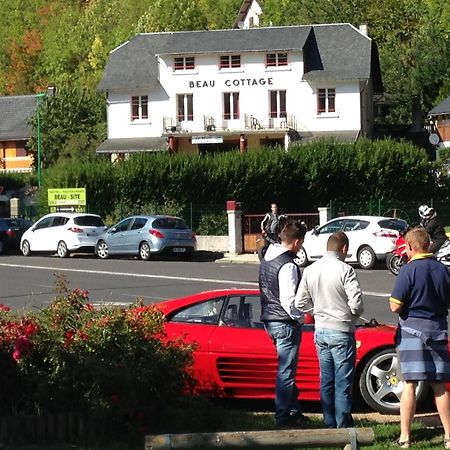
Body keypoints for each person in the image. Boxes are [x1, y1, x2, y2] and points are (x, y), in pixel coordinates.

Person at [295, 231, 364, 428]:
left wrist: (315, 311)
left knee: (326, 379)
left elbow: (300, 302)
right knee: (343, 382)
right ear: (344, 249)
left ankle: (329, 422)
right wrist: (351, 314)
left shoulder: (310, 269)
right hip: (341, 330)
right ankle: (343, 425)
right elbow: (356, 303)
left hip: (321, 329)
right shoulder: (346, 270)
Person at [389, 227, 450, 449]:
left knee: (410, 384)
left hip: (411, 332)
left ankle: (405, 437)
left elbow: (395, 306)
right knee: (439, 386)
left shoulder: (408, 270)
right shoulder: (443, 270)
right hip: (437, 330)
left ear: (410, 247)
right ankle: (449, 436)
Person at [259, 220, 308, 427]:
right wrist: (300, 318)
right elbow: (289, 301)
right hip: (285, 322)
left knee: (286, 369)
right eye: (302, 242)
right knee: (286, 372)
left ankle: (294, 411)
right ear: (296, 242)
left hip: (269, 320)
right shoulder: (288, 265)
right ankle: (282, 417)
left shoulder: (267, 258)